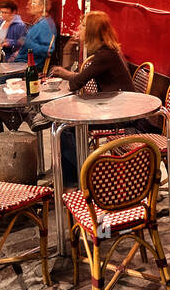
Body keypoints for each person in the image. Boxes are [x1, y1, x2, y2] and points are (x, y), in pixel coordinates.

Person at [49, 11, 134, 184]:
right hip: (115, 107)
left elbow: (76, 83)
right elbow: (79, 79)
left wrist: (65, 74)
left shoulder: (104, 55)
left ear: (92, 31)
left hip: (121, 115)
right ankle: (72, 180)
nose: (78, 29)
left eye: (82, 25)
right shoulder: (107, 51)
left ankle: (88, 176)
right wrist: (67, 67)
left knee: (64, 128)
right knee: (66, 126)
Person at [23, 0, 56, 72]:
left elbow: (48, 51)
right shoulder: (39, 22)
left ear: (42, 7)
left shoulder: (45, 25)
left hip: (33, 66)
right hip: (25, 62)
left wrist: (26, 44)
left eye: (32, 4)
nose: (28, 6)